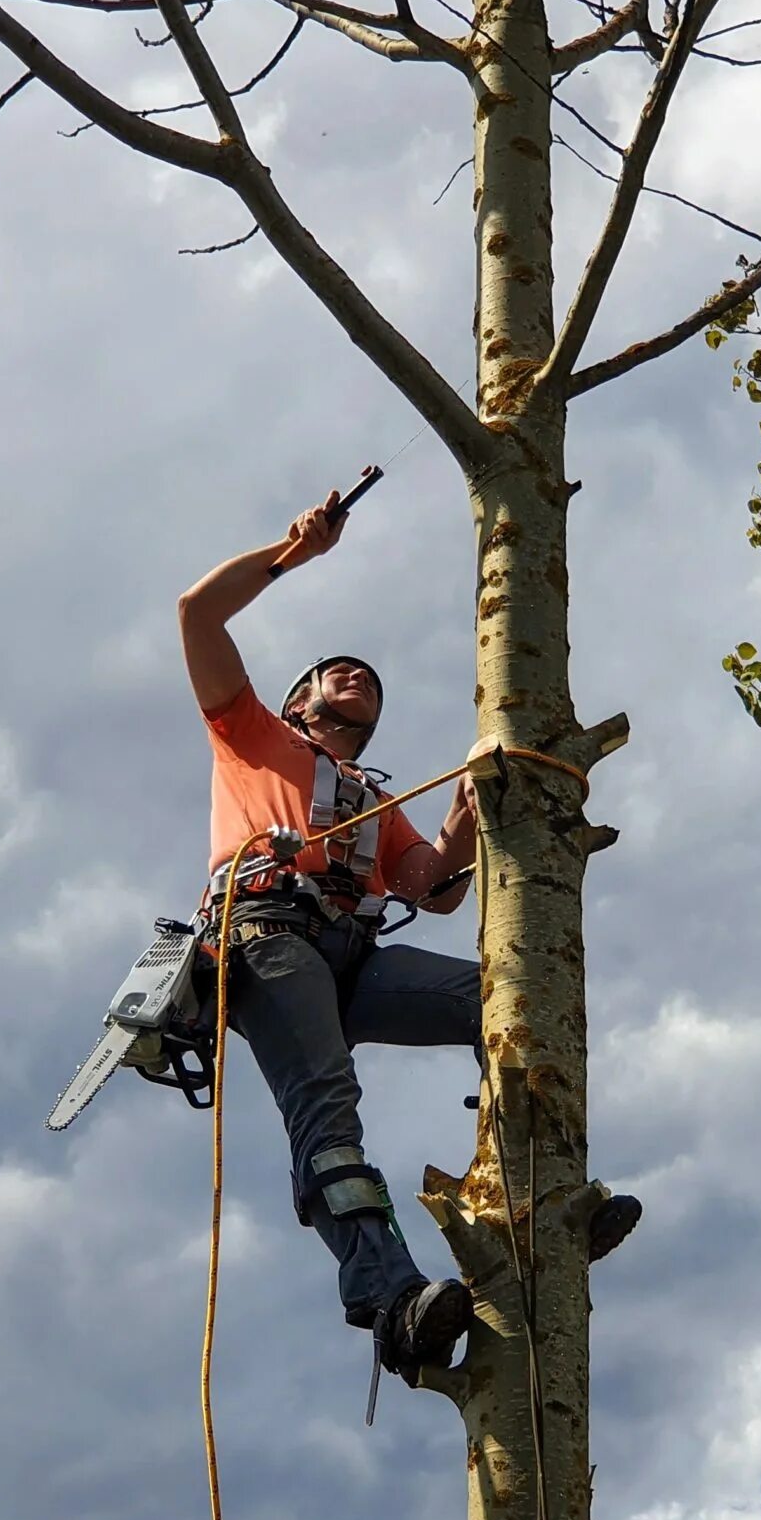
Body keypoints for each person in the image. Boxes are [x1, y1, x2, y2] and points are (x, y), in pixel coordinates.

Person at [179, 488, 640, 1380]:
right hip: (269, 940)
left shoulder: (372, 804)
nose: (357, 680)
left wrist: (463, 823)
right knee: (328, 1109)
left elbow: (428, 889)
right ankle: (392, 1303)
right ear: (298, 699)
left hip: (349, 958)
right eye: (337, 673)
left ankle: (535, 1190)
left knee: (508, 996)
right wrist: (291, 553)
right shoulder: (250, 738)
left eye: (370, 683)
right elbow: (197, 612)